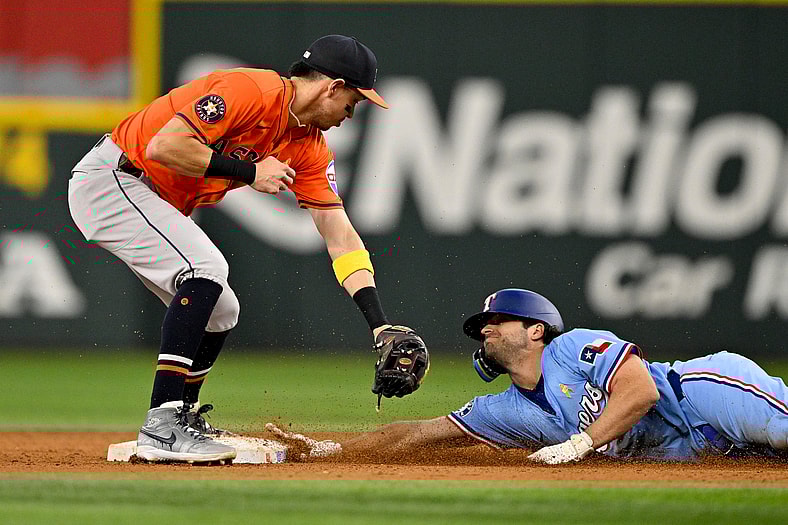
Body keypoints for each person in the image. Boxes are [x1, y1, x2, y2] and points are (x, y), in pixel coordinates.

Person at [67, 35, 421, 463]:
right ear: (333, 86)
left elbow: (338, 233)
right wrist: (250, 171)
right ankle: (162, 424)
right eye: (354, 101)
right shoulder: (251, 91)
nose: (352, 113)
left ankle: (183, 415)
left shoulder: (308, 146)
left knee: (222, 310)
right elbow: (165, 145)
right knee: (205, 267)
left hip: (150, 196)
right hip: (116, 178)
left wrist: (379, 324)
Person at [267, 288, 788, 463]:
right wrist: (329, 450)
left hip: (704, 394)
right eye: (483, 325)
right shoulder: (504, 409)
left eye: (499, 320)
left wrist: (580, 444)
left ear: (536, 330)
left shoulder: (572, 345)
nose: (486, 329)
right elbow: (419, 434)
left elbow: (642, 390)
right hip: (691, 450)